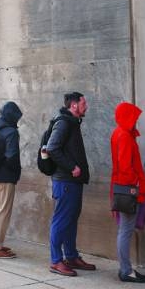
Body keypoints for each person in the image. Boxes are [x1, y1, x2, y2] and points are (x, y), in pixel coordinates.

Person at [47, 92, 95, 276]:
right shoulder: (64, 122)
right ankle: (56, 261)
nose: (86, 106)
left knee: (71, 220)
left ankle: (71, 256)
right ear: (73, 105)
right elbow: (52, 148)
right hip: (65, 181)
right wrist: (72, 166)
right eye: (84, 102)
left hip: (73, 182)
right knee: (61, 221)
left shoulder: (72, 123)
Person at [110, 101, 145, 283]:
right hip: (128, 190)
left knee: (124, 230)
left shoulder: (119, 133)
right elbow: (126, 167)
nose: (136, 121)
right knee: (125, 230)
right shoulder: (125, 136)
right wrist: (136, 186)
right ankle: (126, 270)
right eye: (134, 117)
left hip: (122, 188)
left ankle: (125, 269)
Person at [0, 101, 23, 258]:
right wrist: (15, 172)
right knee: (3, 212)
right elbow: (12, 157)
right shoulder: (11, 132)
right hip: (5, 177)